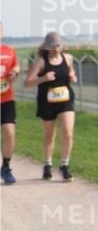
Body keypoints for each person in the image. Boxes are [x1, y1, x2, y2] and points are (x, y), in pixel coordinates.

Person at [23, 31, 76, 181]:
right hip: (47, 102)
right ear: (46, 47)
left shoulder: (68, 58)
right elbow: (27, 83)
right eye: (52, 47)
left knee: (68, 133)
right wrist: (43, 78)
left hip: (65, 100)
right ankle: (48, 164)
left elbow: (71, 72)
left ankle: (65, 165)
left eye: (58, 46)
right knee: (49, 135)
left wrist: (73, 76)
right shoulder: (41, 61)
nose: (55, 50)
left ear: (62, 45)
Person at [1, 22, 19, 184]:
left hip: (6, 99)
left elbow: (16, 66)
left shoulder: (9, 50)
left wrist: (15, 72)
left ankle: (6, 167)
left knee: (9, 132)